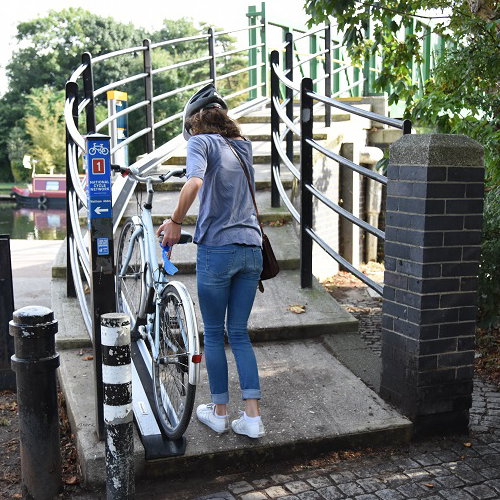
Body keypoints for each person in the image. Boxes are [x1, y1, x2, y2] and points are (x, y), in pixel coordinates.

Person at [156, 84, 265, 439]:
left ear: (193, 123)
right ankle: (252, 417)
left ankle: (218, 411)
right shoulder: (242, 146)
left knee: (215, 335)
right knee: (239, 333)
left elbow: (194, 185)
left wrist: (175, 222)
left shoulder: (200, 143)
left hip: (218, 250)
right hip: (252, 250)